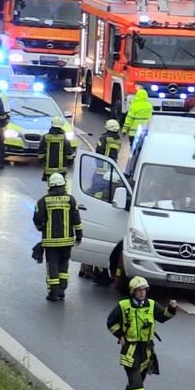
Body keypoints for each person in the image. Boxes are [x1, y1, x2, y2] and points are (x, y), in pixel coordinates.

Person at [107, 276, 177, 390]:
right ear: (133, 291)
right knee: (135, 377)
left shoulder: (151, 305)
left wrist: (171, 308)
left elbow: (163, 316)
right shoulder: (123, 306)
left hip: (147, 349)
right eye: (139, 290)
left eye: (144, 290)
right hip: (130, 349)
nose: (142, 293)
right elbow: (110, 322)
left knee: (141, 377)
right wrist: (120, 335)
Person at [80, 118, 125, 282]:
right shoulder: (117, 141)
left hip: (100, 176)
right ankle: (91, 268)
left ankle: (87, 268)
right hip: (108, 176)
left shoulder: (104, 138)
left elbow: (98, 155)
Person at [32, 173, 83, 302]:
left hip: (51, 242)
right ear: (63, 184)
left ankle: (53, 292)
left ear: (50, 185)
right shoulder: (71, 200)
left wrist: (41, 227)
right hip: (67, 242)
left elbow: (37, 218)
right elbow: (76, 219)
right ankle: (62, 290)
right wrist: (79, 236)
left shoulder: (43, 201)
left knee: (52, 265)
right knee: (63, 265)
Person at [40, 117, 76, 184]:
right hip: (61, 169)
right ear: (61, 126)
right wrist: (70, 162)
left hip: (49, 169)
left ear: (52, 125)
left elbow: (41, 152)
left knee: (50, 185)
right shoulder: (64, 138)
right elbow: (69, 153)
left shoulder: (46, 137)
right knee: (61, 184)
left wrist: (42, 162)